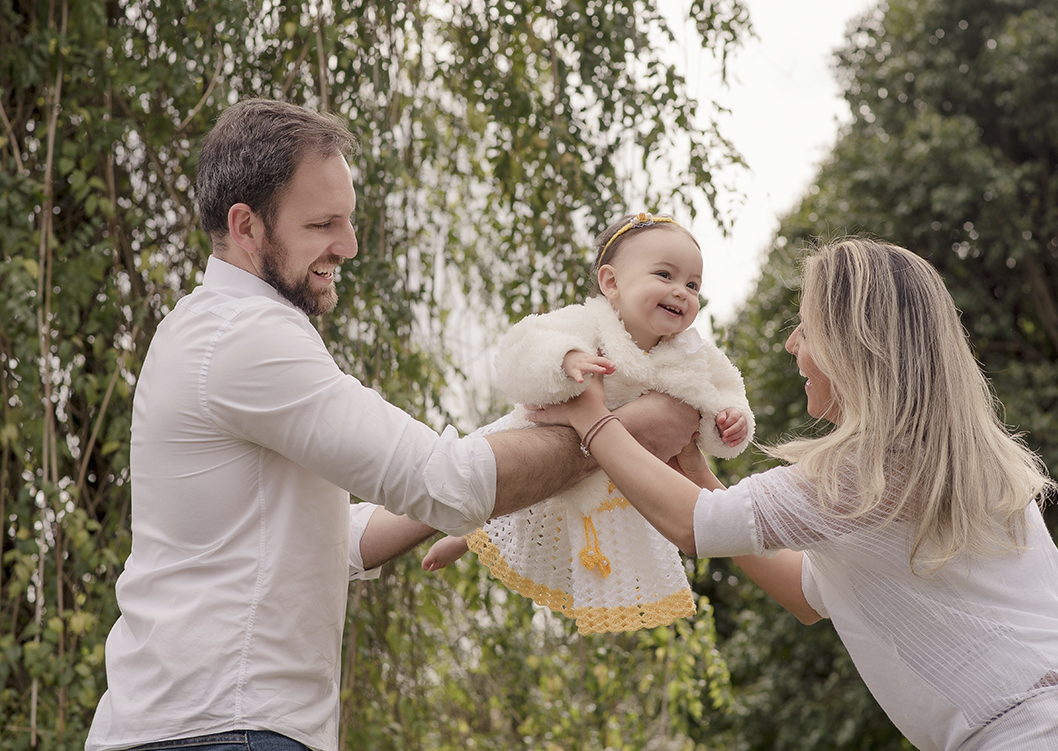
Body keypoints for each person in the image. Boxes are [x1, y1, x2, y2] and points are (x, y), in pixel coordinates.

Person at [85, 100, 698, 751]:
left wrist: (500, 476)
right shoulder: (246, 336)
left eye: (348, 220)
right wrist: (617, 433)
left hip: (194, 724)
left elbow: (326, 537)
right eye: (323, 224)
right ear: (246, 226)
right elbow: (449, 484)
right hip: (219, 731)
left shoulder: (209, 327)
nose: (348, 247)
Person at [528, 237, 1058, 750]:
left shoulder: (855, 474)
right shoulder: (960, 457)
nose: (791, 345)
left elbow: (692, 527)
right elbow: (806, 596)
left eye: (804, 329)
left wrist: (593, 421)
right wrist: (696, 465)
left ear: (849, 344)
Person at [422, 213, 754, 634]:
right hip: (549, 435)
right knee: (505, 486)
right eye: (665, 275)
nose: (680, 292)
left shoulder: (692, 353)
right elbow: (525, 345)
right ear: (611, 283)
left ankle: (467, 534)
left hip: (614, 465)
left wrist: (730, 423)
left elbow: (725, 391)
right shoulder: (589, 322)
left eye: (693, 285)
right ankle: (463, 534)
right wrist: (565, 358)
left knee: (542, 508)